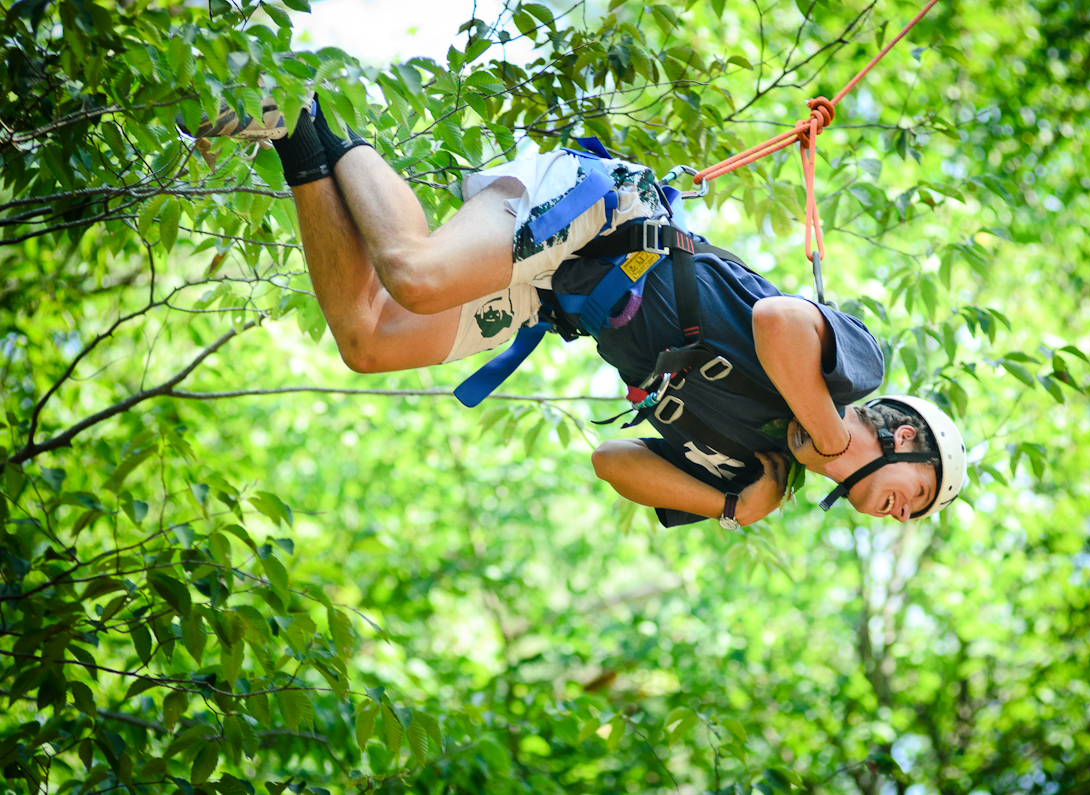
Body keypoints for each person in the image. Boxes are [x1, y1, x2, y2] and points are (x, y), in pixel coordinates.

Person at [186, 97, 967, 528]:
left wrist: (731, 502)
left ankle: (297, 139)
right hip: (602, 214)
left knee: (368, 337)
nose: (904, 516)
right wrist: (829, 434)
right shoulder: (856, 369)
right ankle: (313, 104)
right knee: (417, 277)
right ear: (904, 436)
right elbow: (778, 324)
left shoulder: (756, 471)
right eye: (918, 494)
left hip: (552, 295)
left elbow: (614, 464)